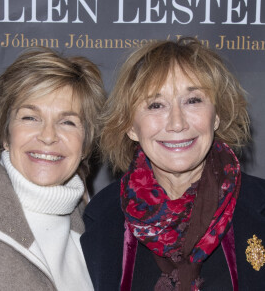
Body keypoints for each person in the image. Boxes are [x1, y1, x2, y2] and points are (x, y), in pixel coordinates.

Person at [81, 38, 265, 290]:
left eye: (193, 101)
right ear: (130, 126)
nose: (177, 123)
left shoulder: (259, 207)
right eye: (156, 105)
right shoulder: (101, 219)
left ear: (217, 116)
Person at [0, 47, 106, 290]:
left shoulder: (99, 232)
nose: (48, 136)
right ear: (6, 134)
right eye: (30, 117)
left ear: (85, 145)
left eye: (67, 122)